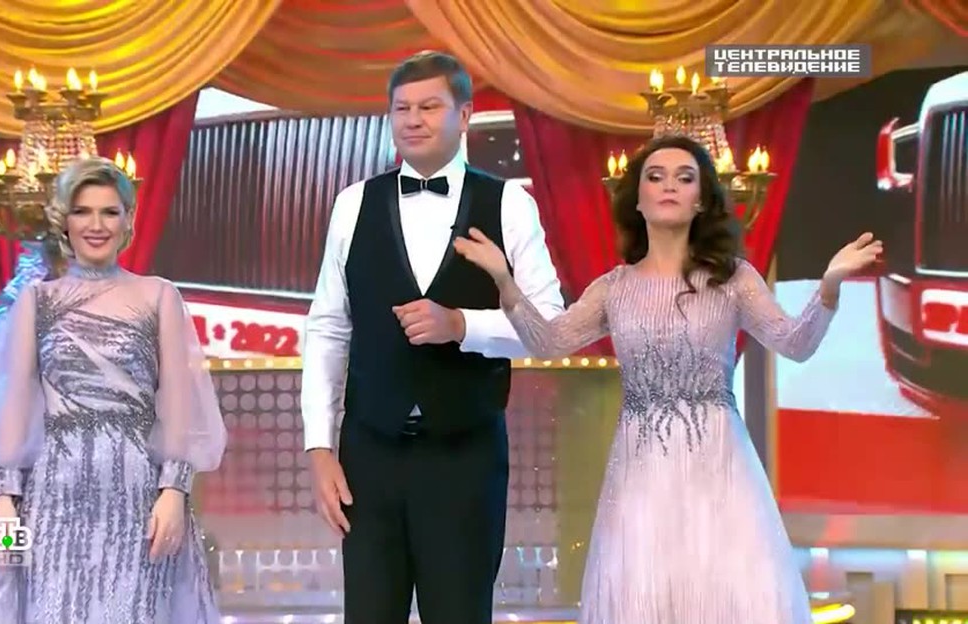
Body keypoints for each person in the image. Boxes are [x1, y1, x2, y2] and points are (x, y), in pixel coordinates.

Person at [453, 134, 882, 623]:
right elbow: (549, 342)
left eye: (684, 177)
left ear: (701, 199)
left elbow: (796, 344)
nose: (669, 186)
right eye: (655, 177)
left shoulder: (734, 279)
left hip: (721, 468)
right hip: (641, 471)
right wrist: (505, 283)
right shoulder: (614, 288)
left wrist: (829, 286)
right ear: (637, 199)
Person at [301, 50, 565, 624]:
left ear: (464, 114)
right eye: (402, 109)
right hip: (369, 454)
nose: (413, 120)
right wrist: (319, 448)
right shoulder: (353, 204)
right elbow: (327, 329)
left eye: (429, 106)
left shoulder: (509, 204)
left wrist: (463, 325)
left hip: (465, 455)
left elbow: (549, 328)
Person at [0, 156, 227, 623]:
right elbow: (13, 409)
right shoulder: (36, 300)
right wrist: (1, 505)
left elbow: (178, 406)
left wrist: (174, 492)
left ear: (127, 220)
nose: (96, 225)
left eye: (109, 212)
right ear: (63, 220)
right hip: (49, 498)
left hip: (139, 496)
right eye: (82, 211)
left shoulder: (160, 296)